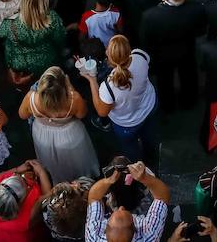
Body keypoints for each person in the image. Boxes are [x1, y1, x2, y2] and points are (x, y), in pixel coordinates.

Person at [86, 35, 159, 167]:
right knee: (149, 138)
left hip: (127, 124)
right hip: (149, 108)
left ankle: (137, 169)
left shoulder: (108, 86)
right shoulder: (140, 56)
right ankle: (152, 158)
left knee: (131, 150)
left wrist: (91, 80)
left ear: (110, 57)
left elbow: (102, 112)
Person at [18, 65, 98, 184]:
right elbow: (82, 114)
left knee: (52, 163)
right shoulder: (73, 98)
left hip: (43, 136)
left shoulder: (31, 98)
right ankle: (82, 183)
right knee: (76, 162)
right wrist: (72, 89)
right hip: (70, 136)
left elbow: (22, 115)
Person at [0, 0, 65, 85]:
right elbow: (60, 39)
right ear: (44, 0)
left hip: (23, 65)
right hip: (48, 61)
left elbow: (6, 43)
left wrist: (10, 66)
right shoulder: (53, 18)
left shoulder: (11, 23)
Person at [84, 161, 170, 242]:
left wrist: (109, 180)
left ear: (105, 229)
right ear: (135, 227)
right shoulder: (149, 236)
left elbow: (94, 197)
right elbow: (162, 197)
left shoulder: (93, 237)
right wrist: (145, 178)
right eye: (124, 210)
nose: (121, 207)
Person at [0, 160, 51, 242]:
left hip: (1, 235)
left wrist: (17, 169)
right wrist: (41, 172)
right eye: (26, 185)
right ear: (19, 203)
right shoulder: (29, 217)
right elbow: (47, 199)